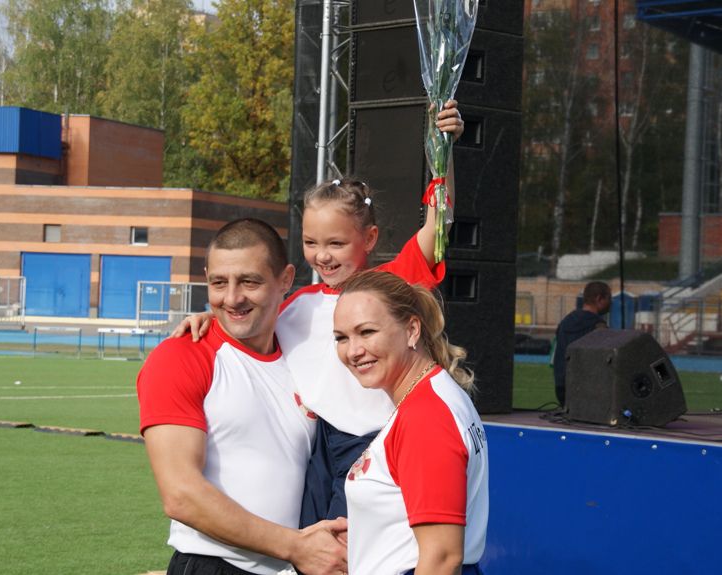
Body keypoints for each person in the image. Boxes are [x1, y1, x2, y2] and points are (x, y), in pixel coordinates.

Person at [173, 102, 464, 528]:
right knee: (310, 544)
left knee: (349, 549)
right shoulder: (296, 304)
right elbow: (244, 319)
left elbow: (439, 224)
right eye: (311, 243)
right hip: (317, 448)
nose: (322, 256)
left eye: (336, 244)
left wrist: (443, 149)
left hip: (376, 441)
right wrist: (208, 321)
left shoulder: (391, 283)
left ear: (369, 238)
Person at [137, 219, 347, 575]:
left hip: (290, 568)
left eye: (249, 282)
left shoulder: (302, 354)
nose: (232, 298)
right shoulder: (180, 356)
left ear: (285, 279)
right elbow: (181, 495)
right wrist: (295, 546)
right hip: (214, 566)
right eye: (219, 283)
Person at [333, 270, 488, 575]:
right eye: (341, 337)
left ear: (412, 330)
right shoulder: (431, 394)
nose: (353, 351)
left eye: (367, 332)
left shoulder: (425, 415)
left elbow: (442, 558)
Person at [551, 281, 611, 406]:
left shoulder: (565, 322)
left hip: (561, 387)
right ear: (599, 298)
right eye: (608, 298)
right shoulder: (598, 326)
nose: (610, 302)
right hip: (586, 390)